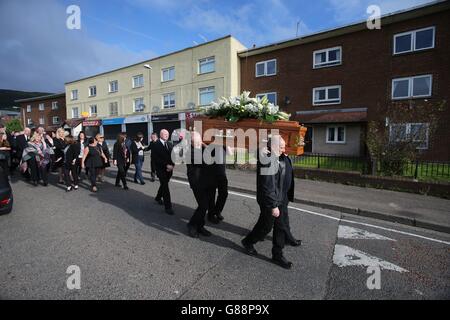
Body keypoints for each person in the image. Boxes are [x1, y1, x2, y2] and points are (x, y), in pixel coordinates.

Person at [241, 135, 301, 270]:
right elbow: (267, 186)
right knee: (265, 226)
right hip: (270, 201)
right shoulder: (267, 160)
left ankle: (277, 254)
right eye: (281, 147)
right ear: (272, 147)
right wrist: (273, 206)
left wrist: (282, 154)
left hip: (281, 198)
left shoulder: (281, 156)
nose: (284, 149)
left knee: (280, 226)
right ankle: (248, 241)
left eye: (284, 146)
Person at [186, 131, 217, 238]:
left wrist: (203, 145)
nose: (198, 143)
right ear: (191, 141)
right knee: (203, 205)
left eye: (199, 140)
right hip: (197, 183)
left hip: (206, 182)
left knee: (205, 206)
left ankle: (200, 226)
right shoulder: (190, 151)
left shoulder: (201, 148)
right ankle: (192, 225)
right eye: (196, 141)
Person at [152, 129, 174, 215]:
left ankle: (158, 197)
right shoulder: (156, 144)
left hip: (169, 169)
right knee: (165, 187)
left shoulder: (169, 143)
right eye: (165, 134)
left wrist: (172, 165)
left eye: (168, 134)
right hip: (161, 169)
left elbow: (173, 156)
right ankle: (168, 207)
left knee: (164, 184)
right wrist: (166, 165)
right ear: (161, 134)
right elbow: (155, 158)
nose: (167, 135)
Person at [207, 144, 230, 224]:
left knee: (224, 193)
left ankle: (217, 211)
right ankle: (210, 215)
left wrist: (226, 144)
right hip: (212, 174)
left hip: (222, 174)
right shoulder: (211, 145)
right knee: (211, 196)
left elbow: (230, 153)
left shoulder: (224, 145)